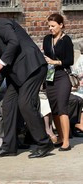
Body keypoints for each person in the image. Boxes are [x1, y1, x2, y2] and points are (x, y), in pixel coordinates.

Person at [0, 12, 53, 158]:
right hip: (18, 74)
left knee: (25, 104)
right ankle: (9, 146)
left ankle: (44, 143)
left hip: (32, 68)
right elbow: (6, 62)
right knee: (8, 105)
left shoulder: (1, 24)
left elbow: (14, 42)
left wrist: (1, 62)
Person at [43, 13, 74, 151]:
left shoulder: (66, 40)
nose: (50, 29)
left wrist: (55, 62)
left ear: (61, 25)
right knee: (54, 109)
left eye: (53, 26)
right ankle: (60, 137)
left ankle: (66, 141)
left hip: (62, 76)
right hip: (50, 77)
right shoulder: (46, 39)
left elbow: (70, 61)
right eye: (49, 26)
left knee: (62, 108)